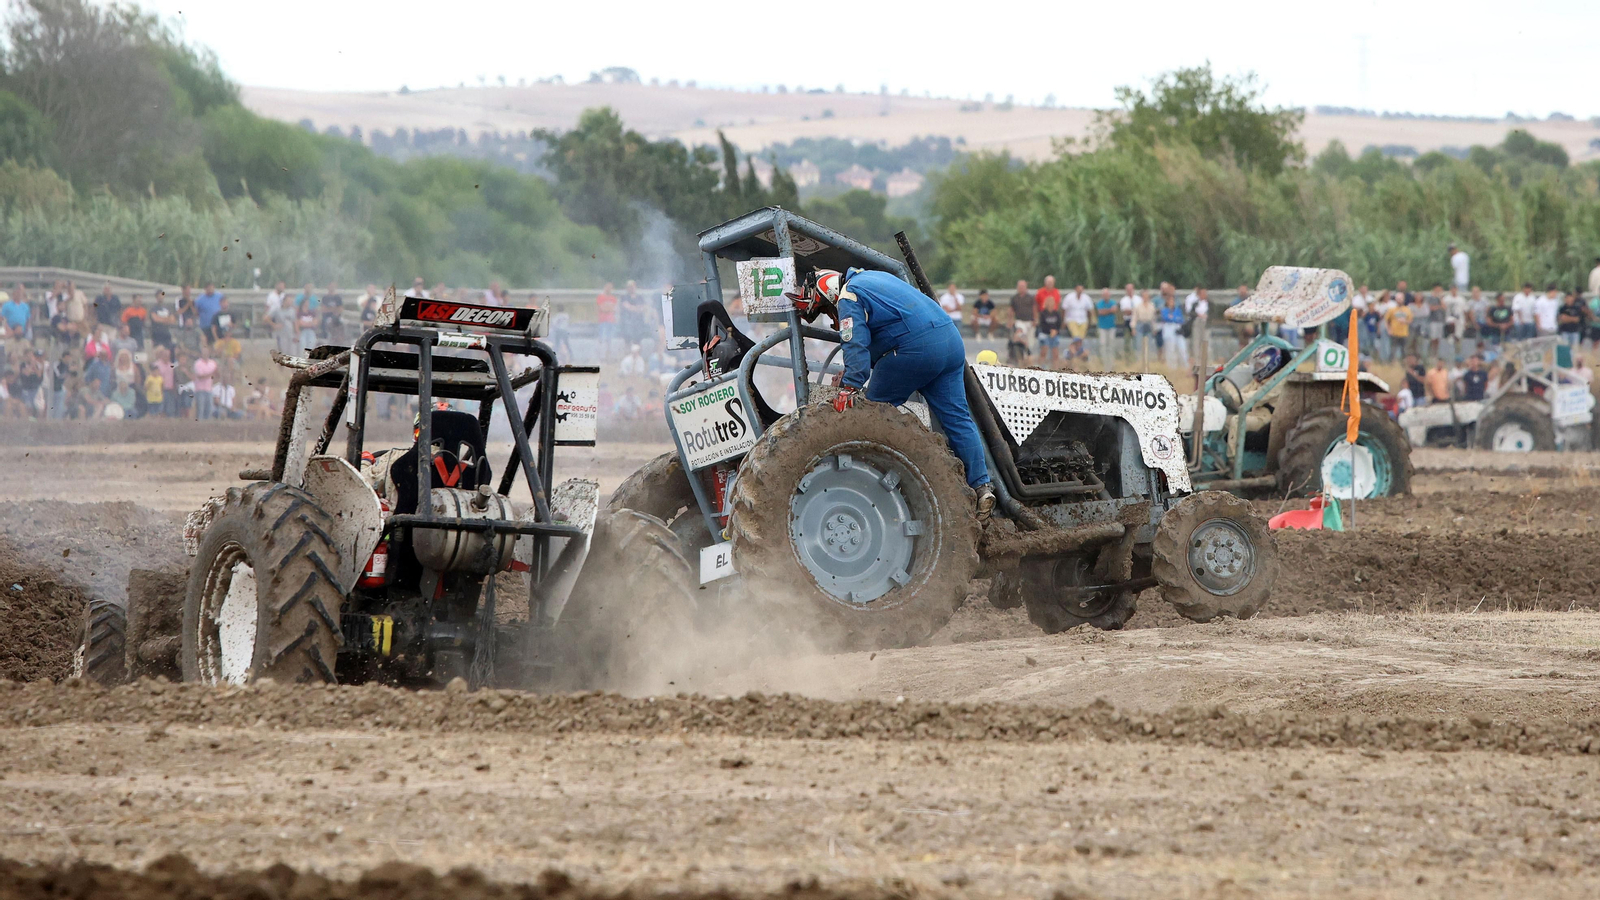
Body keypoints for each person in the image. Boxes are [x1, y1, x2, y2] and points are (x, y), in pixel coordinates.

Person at [788, 267, 994, 515]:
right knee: (958, 419)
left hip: (916, 348)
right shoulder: (873, 277)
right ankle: (982, 487)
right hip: (950, 342)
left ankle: (864, 486)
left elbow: (855, 342)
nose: (832, 318)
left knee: (871, 414)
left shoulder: (848, 295)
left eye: (826, 310)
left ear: (827, 292)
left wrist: (849, 386)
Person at [1159, 293, 1186, 369]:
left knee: (1182, 347)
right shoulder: (1164, 310)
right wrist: (1174, 318)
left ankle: (1184, 365)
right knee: (1170, 348)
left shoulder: (1178, 310)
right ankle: (1171, 366)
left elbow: (1181, 319)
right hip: (1168, 328)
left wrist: (1173, 318)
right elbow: (1166, 318)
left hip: (1177, 328)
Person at [1093, 287, 1118, 369]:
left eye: (1107, 294)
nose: (1106, 296)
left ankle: (1111, 363)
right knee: (1103, 344)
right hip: (1102, 327)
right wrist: (1110, 310)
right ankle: (1104, 363)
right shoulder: (1100, 303)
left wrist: (1106, 311)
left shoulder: (1113, 302)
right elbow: (1101, 312)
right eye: (1105, 294)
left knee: (1111, 345)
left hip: (1111, 326)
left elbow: (1114, 310)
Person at [1036, 294, 1063, 367]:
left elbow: (1059, 324)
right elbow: (1042, 325)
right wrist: (1050, 331)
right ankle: (1041, 367)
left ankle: (1055, 368)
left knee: (1055, 353)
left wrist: (1055, 331)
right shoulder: (1043, 313)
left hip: (1055, 334)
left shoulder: (1056, 314)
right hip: (1045, 334)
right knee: (1044, 352)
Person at [594, 282, 618, 361]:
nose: (609, 289)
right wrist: (609, 308)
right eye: (607, 287)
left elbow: (614, 309)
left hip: (611, 321)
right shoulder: (600, 297)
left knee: (609, 340)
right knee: (602, 339)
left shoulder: (613, 298)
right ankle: (600, 356)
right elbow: (602, 308)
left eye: (610, 288)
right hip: (603, 321)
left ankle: (608, 356)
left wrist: (607, 308)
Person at [191, 349, 217, 420]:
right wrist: (211, 373)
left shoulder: (212, 363)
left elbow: (216, 374)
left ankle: (207, 424)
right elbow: (200, 376)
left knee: (209, 409)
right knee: (200, 409)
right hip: (200, 389)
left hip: (209, 389)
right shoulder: (198, 363)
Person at [1009, 279, 1035, 351]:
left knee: (1030, 340)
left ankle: (1028, 352)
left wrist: (1035, 319)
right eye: (1020, 287)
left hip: (1029, 320)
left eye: (1023, 287)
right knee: (1020, 334)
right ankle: (1019, 350)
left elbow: (1034, 309)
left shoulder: (1031, 297)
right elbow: (1011, 310)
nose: (1021, 288)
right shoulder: (1014, 298)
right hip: (1019, 320)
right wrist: (1010, 320)